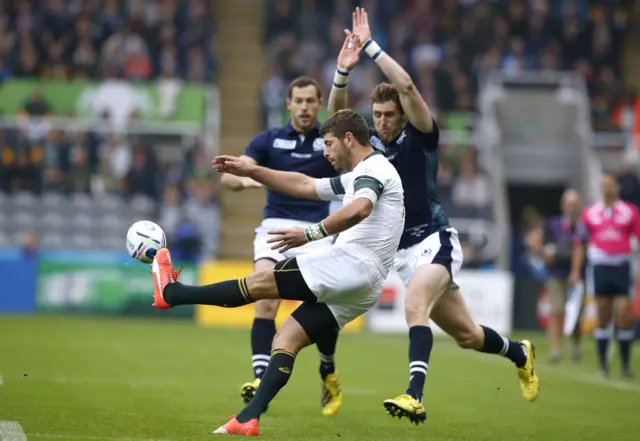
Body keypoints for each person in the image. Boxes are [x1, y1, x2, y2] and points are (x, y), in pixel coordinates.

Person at [327, 7, 539, 424]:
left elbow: (405, 83)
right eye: (378, 115)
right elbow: (336, 122)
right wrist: (341, 73)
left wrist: (369, 46)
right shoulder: (369, 149)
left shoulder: (421, 135)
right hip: (402, 253)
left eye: (390, 115)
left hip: (434, 240)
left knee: (414, 305)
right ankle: (520, 353)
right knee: (467, 335)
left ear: (404, 115)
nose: (383, 122)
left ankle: (414, 394)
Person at [151, 109, 405, 436]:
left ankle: (174, 294)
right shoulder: (360, 174)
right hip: (365, 284)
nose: (324, 152)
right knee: (286, 338)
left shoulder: (372, 169)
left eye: (328, 144)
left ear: (349, 139)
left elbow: (361, 208)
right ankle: (248, 418)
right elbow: (302, 184)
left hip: (352, 263)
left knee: (260, 284)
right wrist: (252, 170)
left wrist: (310, 234)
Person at [220, 76, 342, 415]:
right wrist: (247, 178)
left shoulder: (328, 141)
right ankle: (260, 378)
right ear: (288, 103)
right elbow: (229, 176)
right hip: (275, 228)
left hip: (316, 232)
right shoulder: (269, 140)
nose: (304, 107)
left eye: (310, 101)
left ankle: (327, 367)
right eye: (298, 101)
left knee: (323, 311)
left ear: (320, 105)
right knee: (263, 297)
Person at [570, 173, 639, 378]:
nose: (606, 188)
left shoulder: (630, 212)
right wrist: (575, 270)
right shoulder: (591, 213)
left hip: (622, 265)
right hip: (600, 266)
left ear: (616, 187)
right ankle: (603, 365)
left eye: (609, 185)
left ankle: (625, 364)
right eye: (603, 185)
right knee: (603, 314)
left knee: (624, 314)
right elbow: (579, 243)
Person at [526, 189, 583, 363]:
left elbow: (581, 247)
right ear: (563, 205)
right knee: (556, 311)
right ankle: (555, 349)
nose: (572, 208)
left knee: (575, 314)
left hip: (576, 275)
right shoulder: (554, 224)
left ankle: (575, 346)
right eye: (569, 204)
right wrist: (544, 254)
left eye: (575, 205)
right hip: (556, 273)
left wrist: (576, 271)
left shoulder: (581, 226)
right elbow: (534, 240)